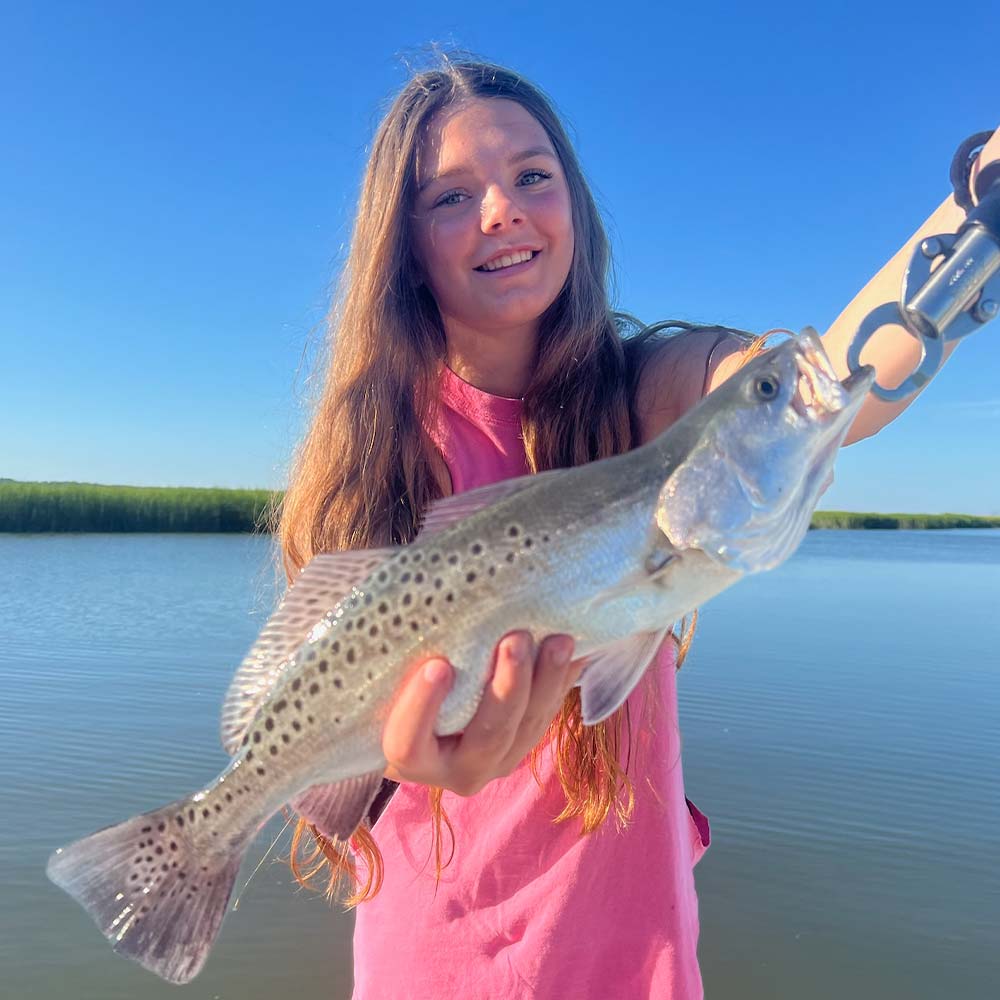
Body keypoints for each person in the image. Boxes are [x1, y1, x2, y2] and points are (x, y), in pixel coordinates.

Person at [277, 58, 997, 999]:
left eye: (534, 175)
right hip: (429, 961)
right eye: (452, 196)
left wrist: (976, 213)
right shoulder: (363, 459)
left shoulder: (648, 390)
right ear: (401, 243)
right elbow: (328, 768)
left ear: (575, 204)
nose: (504, 209)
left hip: (635, 956)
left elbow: (825, 379)